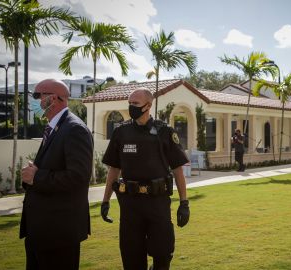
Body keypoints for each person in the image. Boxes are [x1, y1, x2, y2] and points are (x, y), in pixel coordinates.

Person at [100, 88, 190, 270]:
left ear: (148, 105)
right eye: (129, 103)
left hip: (157, 204)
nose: (131, 107)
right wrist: (105, 201)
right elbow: (114, 169)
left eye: (135, 103)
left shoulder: (165, 132)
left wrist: (184, 202)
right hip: (130, 206)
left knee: (163, 255)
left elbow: (178, 170)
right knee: (131, 258)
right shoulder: (121, 133)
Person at [20, 79, 93, 270]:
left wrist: (37, 176)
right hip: (42, 230)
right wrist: (33, 174)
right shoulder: (56, 127)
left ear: (52, 98)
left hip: (58, 232)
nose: (33, 101)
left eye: (36, 96)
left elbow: (78, 177)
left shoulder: (74, 129)